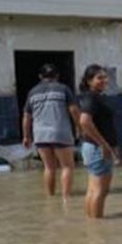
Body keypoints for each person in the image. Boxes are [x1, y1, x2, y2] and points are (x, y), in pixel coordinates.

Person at [22, 64, 80, 200]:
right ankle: (66, 198)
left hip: (40, 135)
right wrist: (80, 127)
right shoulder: (63, 89)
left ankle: (50, 198)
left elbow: (26, 117)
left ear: (40, 77)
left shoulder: (33, 92)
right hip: (61, 133)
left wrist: (26, 136)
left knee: (49, 167)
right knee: (67, 166)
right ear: (57, 76)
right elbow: (74, 110)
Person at [78, 65, 119, 219]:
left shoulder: (93, 96)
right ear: (89, 81)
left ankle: (92, 225)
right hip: (98, 149)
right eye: (99, 78)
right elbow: (84, 122)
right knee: (101, 191)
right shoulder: (92, 97)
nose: (104, 80)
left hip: (92, 147)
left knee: (93, 190)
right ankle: (97, 227)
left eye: (105, 77)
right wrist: (104, 145)